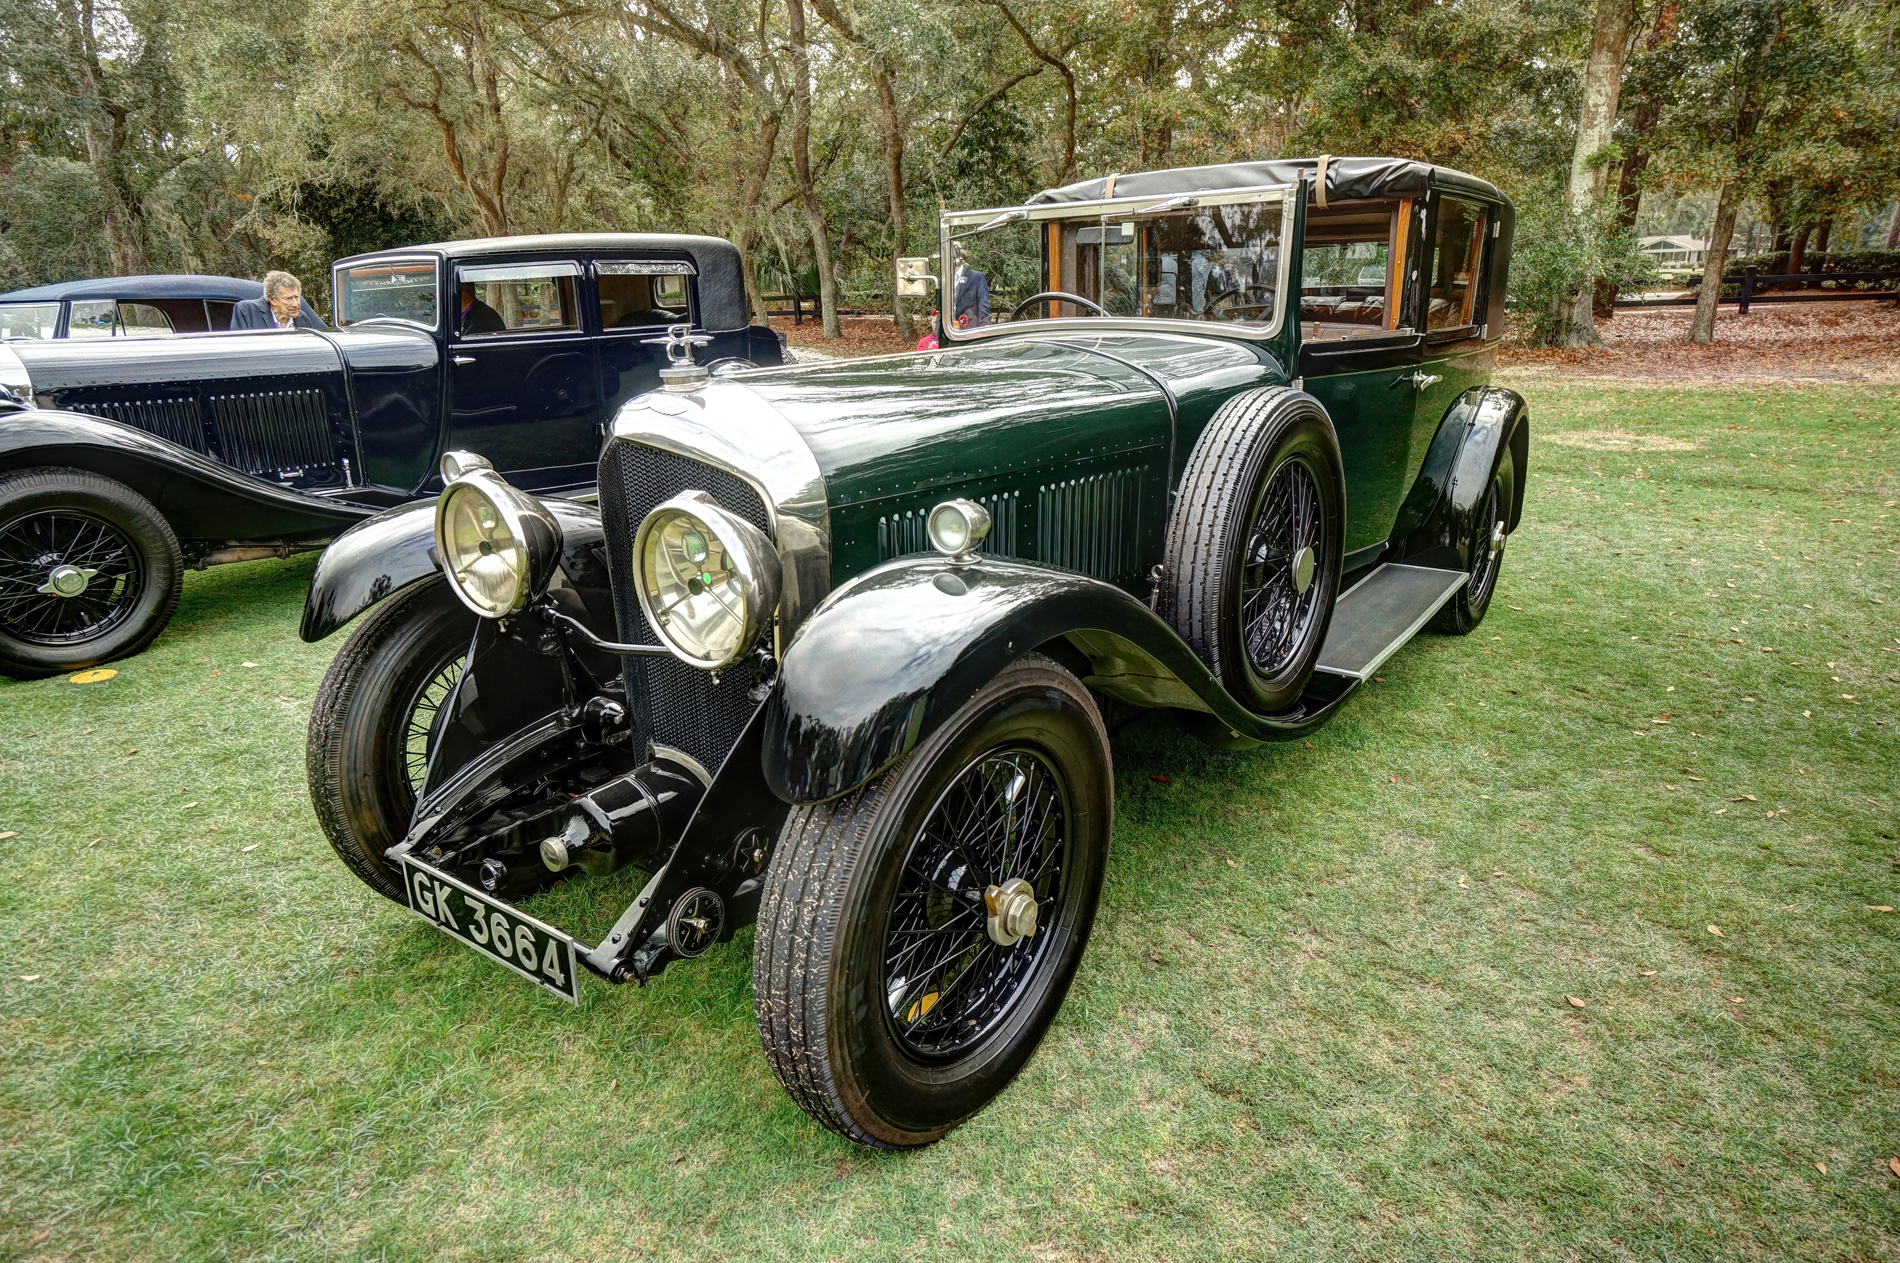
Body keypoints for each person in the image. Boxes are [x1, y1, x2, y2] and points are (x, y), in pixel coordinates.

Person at [230, 270, 327, 330]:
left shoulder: (303, 319)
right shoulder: (246, 311)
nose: (295, 304)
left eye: (297, 297)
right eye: (288, 298)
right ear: (272, 299)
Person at [952, 248, 990, 329]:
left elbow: (984, 311)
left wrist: (982, 335)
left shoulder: (976, 278)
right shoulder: (944, 280)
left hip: (970, 333)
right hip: (949, 334)